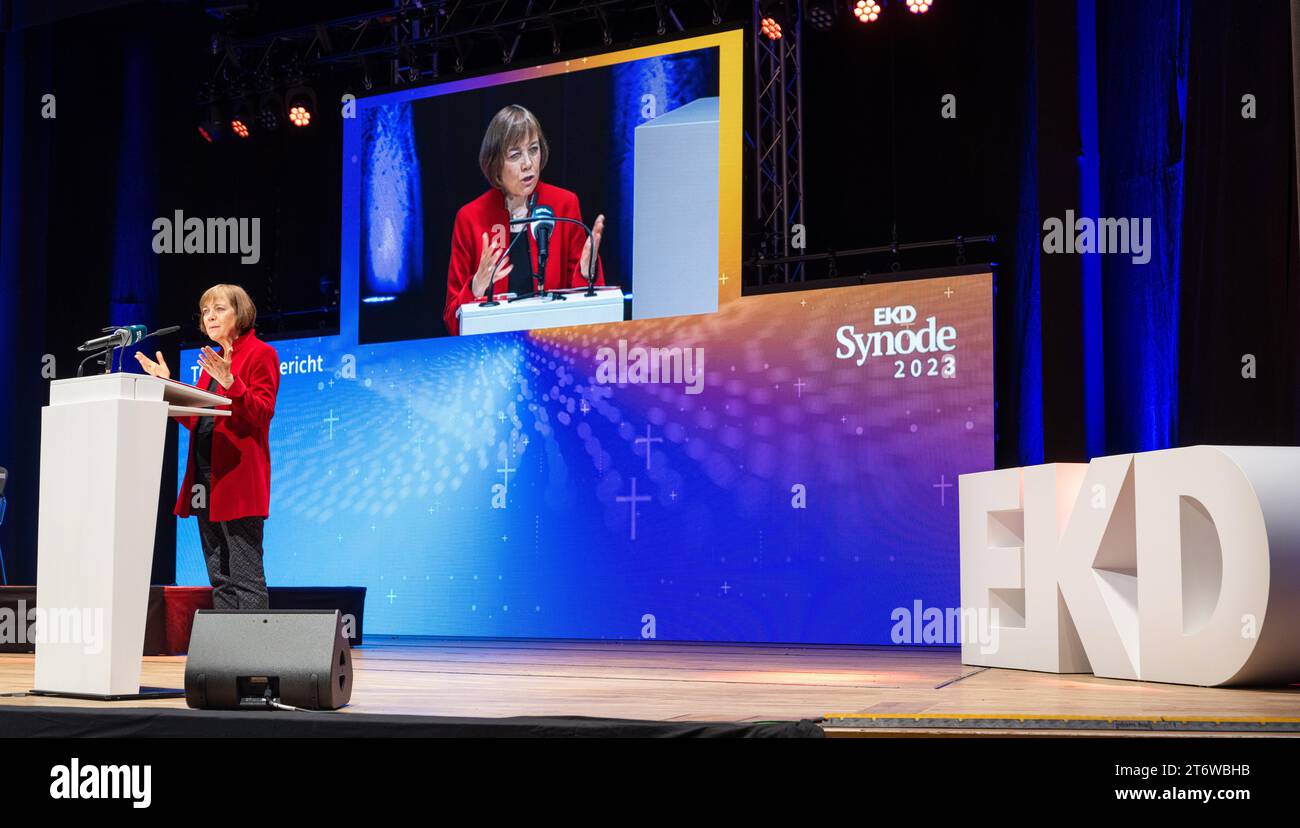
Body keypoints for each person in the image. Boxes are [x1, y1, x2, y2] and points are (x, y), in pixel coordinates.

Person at [134, 284, 280, 610]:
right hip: (205, 480)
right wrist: (166, 385)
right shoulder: (212, 360)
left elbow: (260, 414)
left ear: (239, 314)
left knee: (245, 575)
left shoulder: (261, 355)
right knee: (220, 575)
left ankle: (254, 657)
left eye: (219, 309)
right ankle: (228, 657)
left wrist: (233, 383)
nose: (210, 317)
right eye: (205, 311)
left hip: (237, 482)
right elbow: (200, 420)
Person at [443, 104, 607, 336]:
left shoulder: (564, 205)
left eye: (533, 149)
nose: (528, 163)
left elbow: (587, 311)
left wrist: (586, 272)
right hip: (493, 354)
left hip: (554, 345)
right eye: (515, 155)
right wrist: (475, 288)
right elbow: (451, 321)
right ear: (495, 164)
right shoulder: (470, 218)